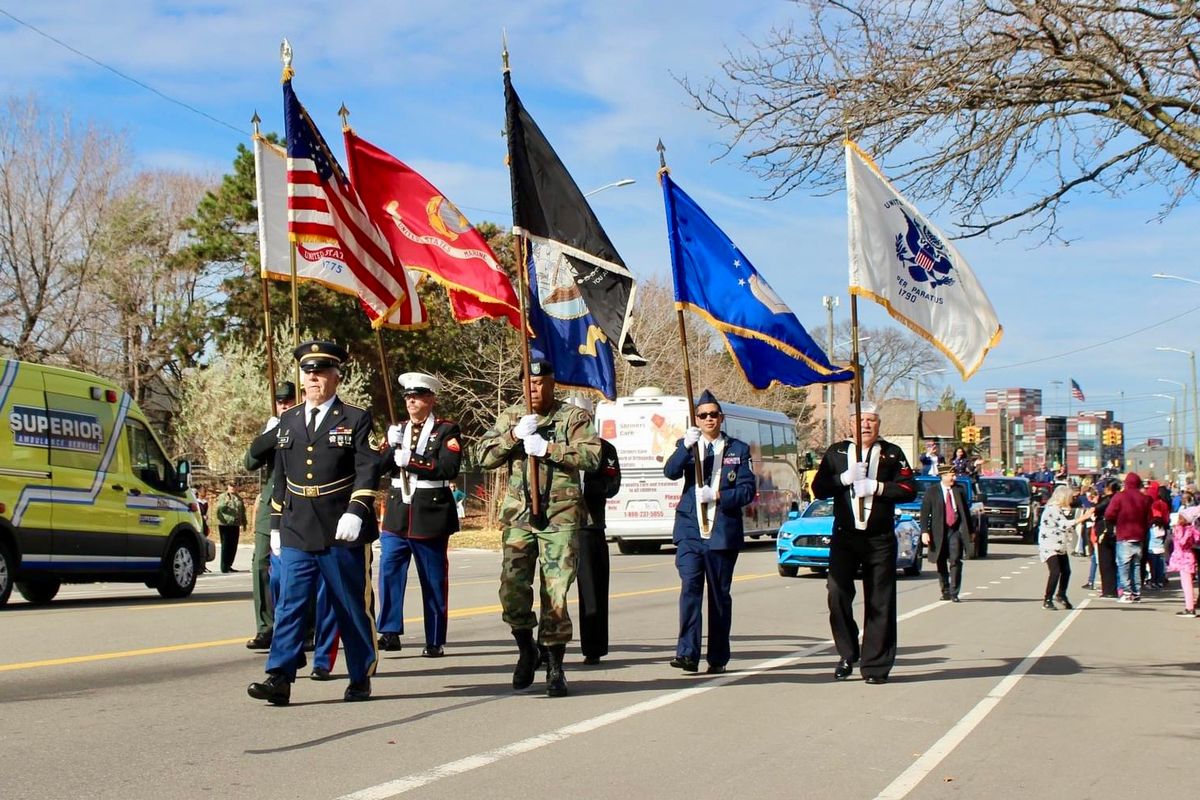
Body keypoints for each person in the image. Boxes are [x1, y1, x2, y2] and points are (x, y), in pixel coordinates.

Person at [247, 341, 380, 706]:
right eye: (308, 373)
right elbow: (280, 476)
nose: (314, 379)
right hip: (296, 525)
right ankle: (279, 676)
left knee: (349, 604)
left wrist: (357, 510)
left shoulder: (355, 418)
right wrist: (275, 524)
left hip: (340, 526)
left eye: (321, 373)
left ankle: (360, 675)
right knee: (290, 602)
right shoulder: (287, 421)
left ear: (337, 377)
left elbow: (367, 468)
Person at [477, 360, 600, 698]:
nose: (534, 389)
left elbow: (593, 457)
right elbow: (482, 457)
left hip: (560, 516)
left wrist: (549, 449)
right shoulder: (511, 417)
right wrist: (513, 437)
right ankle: (526, 647)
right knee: (512, 589)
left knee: (555, 593)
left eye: (540, 382)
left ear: (552, 384)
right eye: (528, 383)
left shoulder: (573, 418)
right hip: (519, 516)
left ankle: (556, 665)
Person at [811, 402, 918, 684]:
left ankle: (876, 666)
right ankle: (847, 652)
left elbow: (909, 489)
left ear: (878, 424)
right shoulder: (836, 452)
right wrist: (843, 479)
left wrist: (878, 487)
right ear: (850, 424)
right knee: (836, 592)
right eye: (860, 420)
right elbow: (818, 489)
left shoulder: (892, 453)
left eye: (871, 420)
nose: (866, 425)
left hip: (879, 537)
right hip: (845, 535)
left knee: (880, 600)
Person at [662, 390, 755, 675]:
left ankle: (717, 656)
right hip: (691, 529)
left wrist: (717, 494)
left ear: (721, 418)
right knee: (690, 587)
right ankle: (687, 653)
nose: (708, 419)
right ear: (697, 420)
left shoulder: (738, 449)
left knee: (718, 596)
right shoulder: (687, 444)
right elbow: (670, 472)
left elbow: (747, 490)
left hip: (721, 531)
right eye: (703, 415)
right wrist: (683, 448)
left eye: (713, 414)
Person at [376, 372, 463, 658]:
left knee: (433, 578)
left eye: (417, 396)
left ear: (430, 399)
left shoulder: (447, 430)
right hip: (398, 511)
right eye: (408, 397)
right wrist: (389, 448)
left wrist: (411, 460)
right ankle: (389, 631)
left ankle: (435, 638)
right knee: (389, 570)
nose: (411, 401)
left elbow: (448, 468)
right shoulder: (398, 428)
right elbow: (379, 469)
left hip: (430, 511)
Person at [243, 380, 298, 650]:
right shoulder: (273, 429)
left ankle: (306, 627)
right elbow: (249, 463)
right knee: (260, 566)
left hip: (298, 503)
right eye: (280, 402)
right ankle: (266, 627)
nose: (284, 405)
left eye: (288, 401)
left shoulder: (303, 425)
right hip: (270, 507)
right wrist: (268, 436)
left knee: (299, 568)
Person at [577, 437, 621, 665]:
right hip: (553, 525)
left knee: (592, 590)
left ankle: (593, 648)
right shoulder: (550, 441)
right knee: (551, 592)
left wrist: (585, 487)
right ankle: (547, 648)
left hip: (589, 525)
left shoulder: (604, 448)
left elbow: (612, 484)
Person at [919, 463, 974, 602]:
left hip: (955, 530)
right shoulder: (932, 491)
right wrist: (924, 532)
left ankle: (954, 592)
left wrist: (971, 531)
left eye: (954, 475)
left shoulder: (959, 490)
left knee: (955, 559)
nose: (954, 478)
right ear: (943, 476)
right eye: (951, 475)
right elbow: (925, 513)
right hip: (938, 531)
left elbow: (966, 513)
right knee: (941, 560)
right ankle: (946, 591)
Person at [1038, 485, 1092, 609]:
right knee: (1055, 572)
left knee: (1066, 571)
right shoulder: (1052, 509)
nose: (1071, 500)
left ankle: (1061, 594)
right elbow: (1064, 525)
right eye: (1069, 498)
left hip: (1060, 545)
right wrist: (1083, 517)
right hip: (1050, 546)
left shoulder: (1059, 509)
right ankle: (1047, 599)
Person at [1105, 472, 1153, 604]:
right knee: (1136, 565)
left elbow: (1109, 514)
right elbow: (1150, 518)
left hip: (1124, 535)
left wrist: (1116, 520)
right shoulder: (1144, 499)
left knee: (1124, 565)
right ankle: (1137, 592)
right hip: (1139, 536)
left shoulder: (1120, 497)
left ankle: (1127, 593)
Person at [1168, 505, 1200, 616]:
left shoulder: (1182, 529)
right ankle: (1190, 606)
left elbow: (1181, 543)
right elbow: (1196, 540)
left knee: (1186, 584)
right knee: (1188, 583)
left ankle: (1189, 608)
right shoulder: (1193, 530)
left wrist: (1177, 531)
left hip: (1183, 558)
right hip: (1189, 556)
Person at [1093, 480, 1119, 597]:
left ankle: (1108, 590)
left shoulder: (1109, 499)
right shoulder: (1118, 498)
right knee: (1112, 561)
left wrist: (1096, 502)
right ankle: (1111, 588)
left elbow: (1097, 509)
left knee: (1106, 561)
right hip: (1114, 530)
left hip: (1105, 531)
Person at [214, 484, 247, 573]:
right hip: (225, 524)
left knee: (233, 546)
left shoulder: (239, 498)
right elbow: (220, 508)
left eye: (234, 486)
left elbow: (242, 511)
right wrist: (226, 502)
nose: (232, 487)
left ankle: (229, 565)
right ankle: (224, 567)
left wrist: (244, 523)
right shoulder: (223, 496)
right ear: (228, 487)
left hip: (235, 524)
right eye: (231, 486)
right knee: (226, 546)